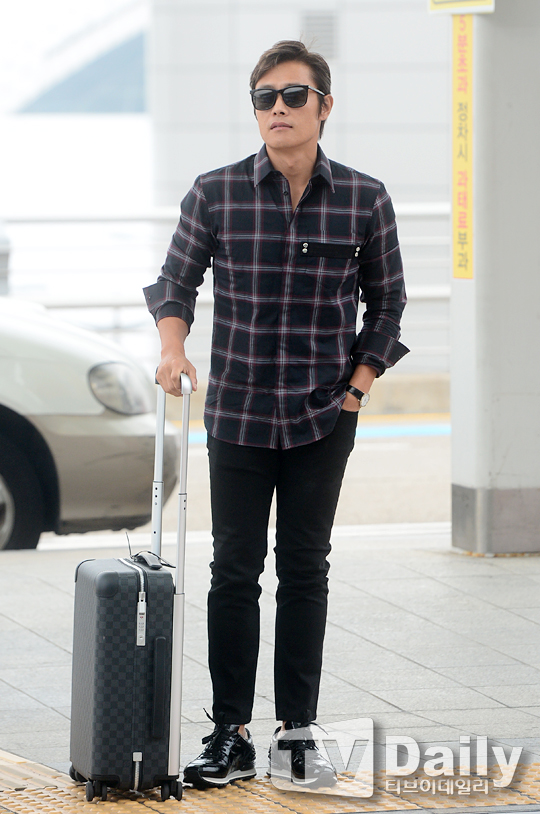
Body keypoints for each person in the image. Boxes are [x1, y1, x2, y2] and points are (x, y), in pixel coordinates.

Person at [144, 39, 409, 790]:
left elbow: (388, 301)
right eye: (266, 98)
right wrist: (173, 349)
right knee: (234, 570)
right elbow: (176, 283)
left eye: (295, 96)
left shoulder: (364, 198)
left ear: (325, 107)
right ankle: (229, 732)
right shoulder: (216, 193)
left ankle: (296, 731)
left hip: (325, 415)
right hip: (238, 413)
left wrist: (356, 389)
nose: (279, 109)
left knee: (304, 568)